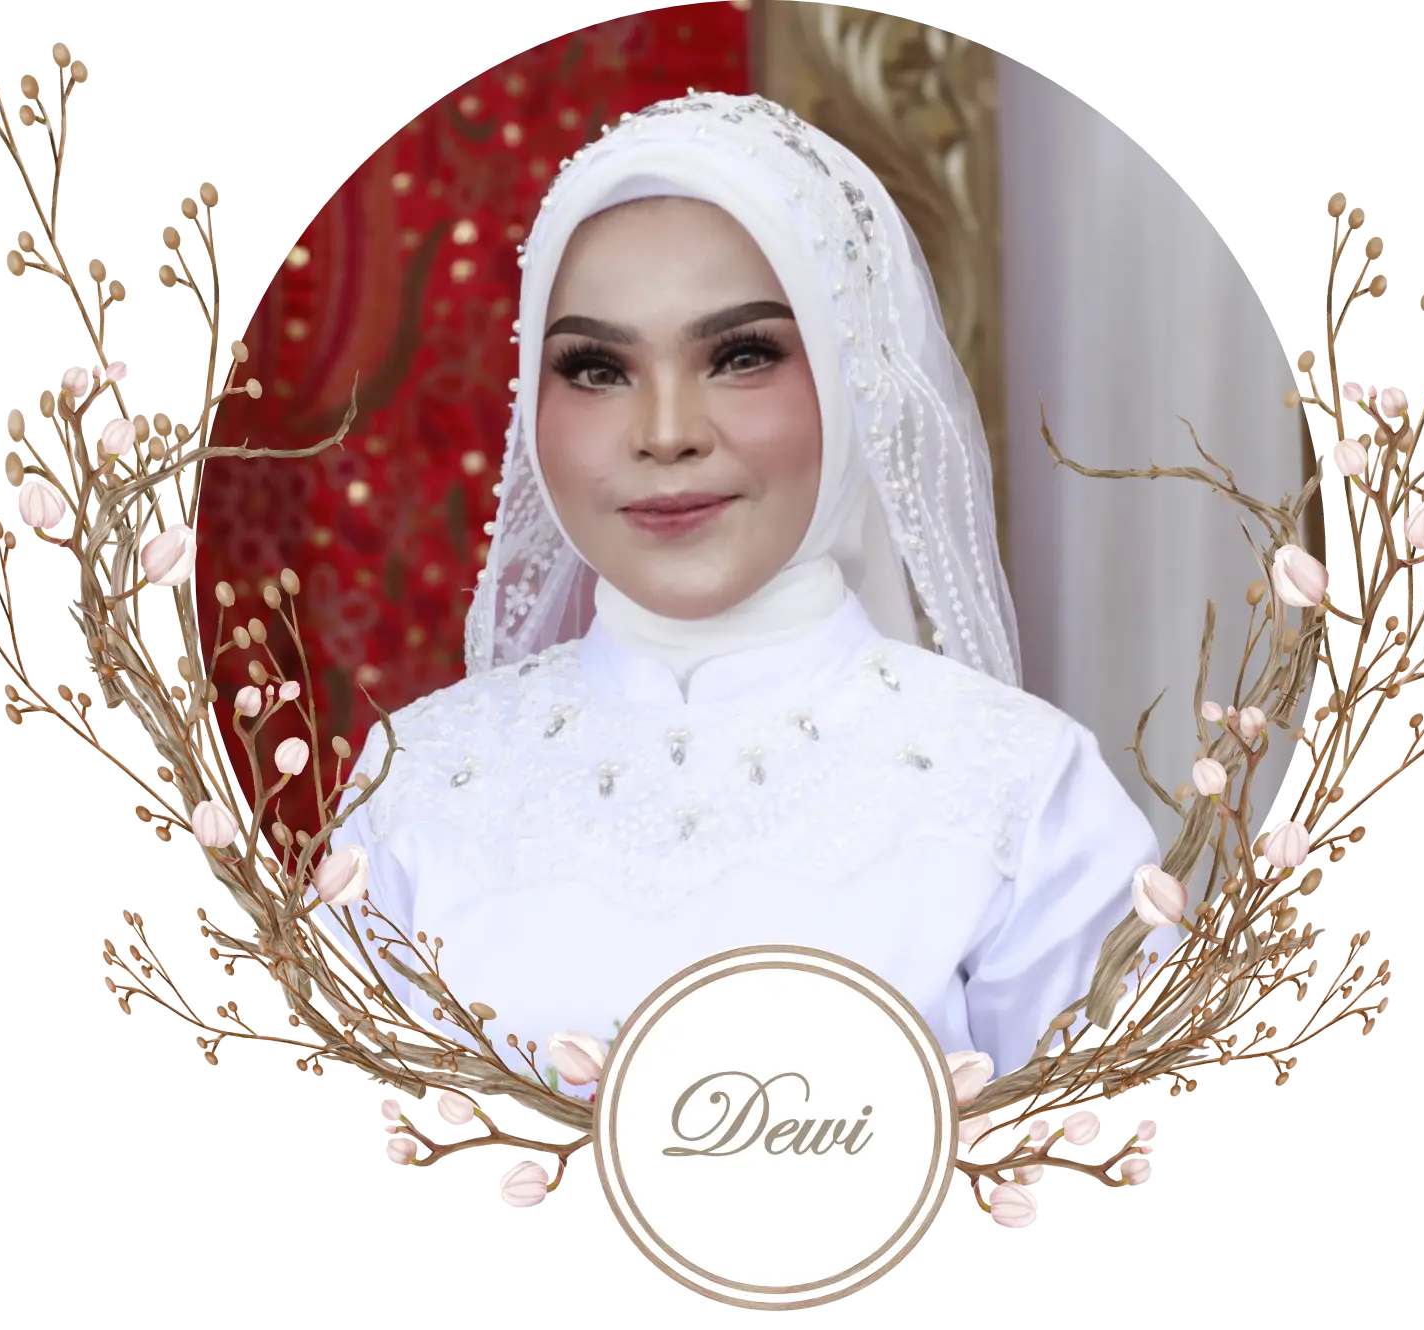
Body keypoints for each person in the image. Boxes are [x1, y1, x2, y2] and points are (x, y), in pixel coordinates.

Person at [318, 90, 1182, 1097]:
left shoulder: (1020, 791)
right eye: (595, 369)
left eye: (740, 357)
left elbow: (1110, 1143)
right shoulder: (419, 783)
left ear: (850, 381)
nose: (666, 433)